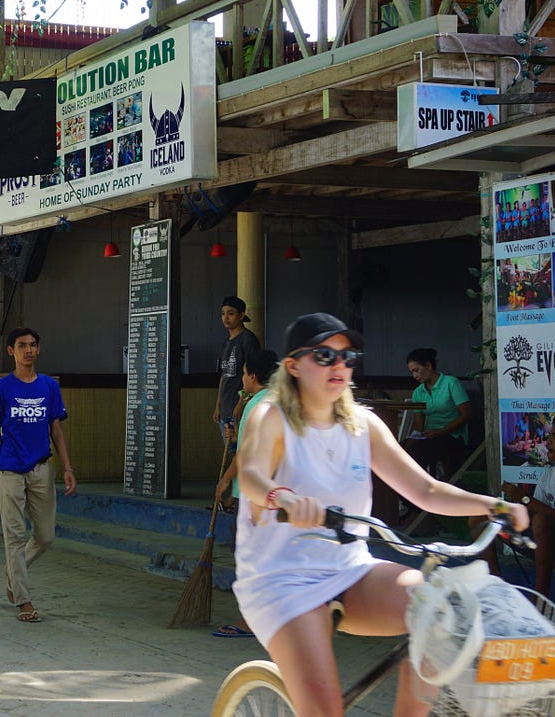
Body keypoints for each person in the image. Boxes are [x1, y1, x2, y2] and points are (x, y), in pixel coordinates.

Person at [234, 312, 528, 716]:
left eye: (347, 356)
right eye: (324, 355)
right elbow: (250, 474)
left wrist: (494, 506)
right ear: (293, 366)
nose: (339, 365)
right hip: (283, 581)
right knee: (324, 709)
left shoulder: (362, 424)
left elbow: (425, 490)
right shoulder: (273, 418)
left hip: (351, 569)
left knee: (439, 612)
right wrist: (281, 498)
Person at [0, 327, 78, 623]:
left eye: (33, 345)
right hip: (9, 470)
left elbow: (56, 430)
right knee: (14, 535)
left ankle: (13, 569)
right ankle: (23, 600)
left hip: (41, 469)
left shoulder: (49, 386)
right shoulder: (1, 389)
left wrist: (68, 468)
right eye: (22, 346)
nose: (29, 350)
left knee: (45, 536)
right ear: (11, 351)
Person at [473, 415, 555, 596]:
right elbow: (532, 512)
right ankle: (495, 584)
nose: (549, 441)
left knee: (541, 521)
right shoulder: (548, 474)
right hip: (539, 542)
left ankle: (540, 596)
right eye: (550, 436)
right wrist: (511, 506)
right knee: (482, 513)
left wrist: (525, 499)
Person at [210, 347, 280, 640]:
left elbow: (248, 451)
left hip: (255, 491)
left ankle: (252, 620)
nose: (241, 379)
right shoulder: (279, 401)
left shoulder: (258, 405)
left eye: (243, 374)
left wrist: (225, 480)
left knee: (250, 556)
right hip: (276, 491)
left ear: (252, 376)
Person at [402, 347, 471, 477]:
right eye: (412, 372)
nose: (415, 376)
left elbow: (466, 414)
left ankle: (419, 492)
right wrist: (407, 443)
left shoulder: (451, 383)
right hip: (429, 437)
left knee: (418, 453)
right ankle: (405, 493)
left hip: (453, 437)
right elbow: (418, 426)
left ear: (428, 365)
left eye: (416, 370)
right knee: (398, 451)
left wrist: (441, 432)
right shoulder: (418, 392)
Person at [212, 295, 261, 443]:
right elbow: (224, 375)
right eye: (223, 313)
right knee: (232, 452)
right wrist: (218, 405)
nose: (226, 318)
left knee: (242, 452)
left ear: (241, 315)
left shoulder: (248, 340)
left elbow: (253, 375)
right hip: (226, 407)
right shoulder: (226, 342)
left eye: (231, 313)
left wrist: (241, 403)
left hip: (240, 407)